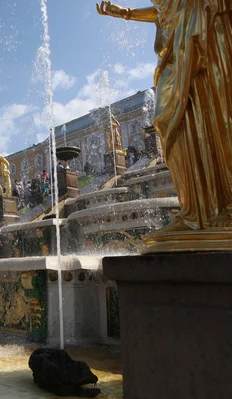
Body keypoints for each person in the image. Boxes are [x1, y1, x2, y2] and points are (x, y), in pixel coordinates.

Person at [97, 1, 232, 233]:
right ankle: (195, 209)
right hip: (176, 51)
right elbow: (165, 11)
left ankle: (218, 206)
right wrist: (124, 13)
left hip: (203, 40)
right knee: (168, 121)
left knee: (210, 118)